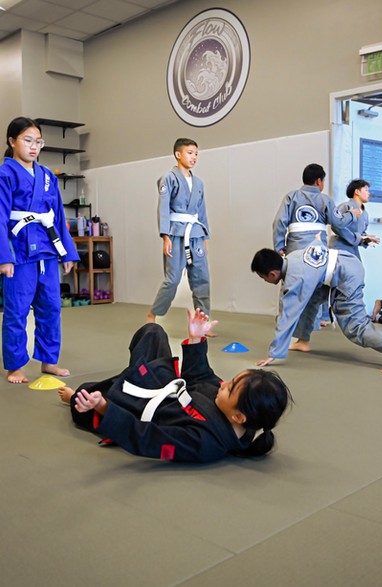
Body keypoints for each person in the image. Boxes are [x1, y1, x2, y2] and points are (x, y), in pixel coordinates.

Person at [58, 309, 292, 463]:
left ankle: (78, 398)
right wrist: (195, 338)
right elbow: (201, 375)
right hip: (162, 382)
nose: (224, 385)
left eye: (230, 389)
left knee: (84, 395)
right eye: (231, 381)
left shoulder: (204, 443)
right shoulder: (228, 403)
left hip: (140, 406)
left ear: (238, 417)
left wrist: (103, 407)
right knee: (153, 332)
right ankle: (126, 377)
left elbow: (147, 438)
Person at [251, 240, 382, 374]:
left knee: (355, 327)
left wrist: (274, 353)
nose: (264, 280)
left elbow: (288, 316)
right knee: (310, 300)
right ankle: (303, 341)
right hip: (346, 260)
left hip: (347, 275)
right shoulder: (292, 257)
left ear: (272, 274)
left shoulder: (295, 279)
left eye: (263, 277)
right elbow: (316, 244)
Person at [0, 117, 79, 384]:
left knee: (51, 308)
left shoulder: (47, 176)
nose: (34, 147)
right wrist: (4, 257)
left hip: (46, 251)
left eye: (38, 142)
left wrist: (66, 253)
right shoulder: (5, 174)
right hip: (19, 253)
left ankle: (48, 361)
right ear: (12, 141)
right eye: (27, 140)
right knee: (17, 311)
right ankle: (15, 367)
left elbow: (57, 217)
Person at [147, 139, 215, 335]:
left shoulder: (199, 183)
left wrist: (204, 237)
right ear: (178, 154)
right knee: (172, 280)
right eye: (190, 153)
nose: (194, 157)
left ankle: (202, 323)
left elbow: (201, 212)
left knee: (202, 280)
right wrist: (165, 237)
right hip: (176, 234)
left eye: (196, 154)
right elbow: (163, 209)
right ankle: (153, 314)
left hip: (196, 234)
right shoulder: (168, 179)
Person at [272, 163, 361, 256]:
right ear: (319, 181)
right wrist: (351, 214)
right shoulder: (326, 200)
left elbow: (279, 221)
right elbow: (338, 222)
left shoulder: (291, 196)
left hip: (294, 249)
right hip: (319, 251)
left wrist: (279, 247)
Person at [329, 179, 380, 261]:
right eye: (366, 190)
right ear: (357, 192)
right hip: (340, 248)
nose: (369, 193)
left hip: (353, 250)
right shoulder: (346, 206)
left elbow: (361, 234)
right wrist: (356, 238)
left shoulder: (365, 214)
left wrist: (367, 240)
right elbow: (336, 225)